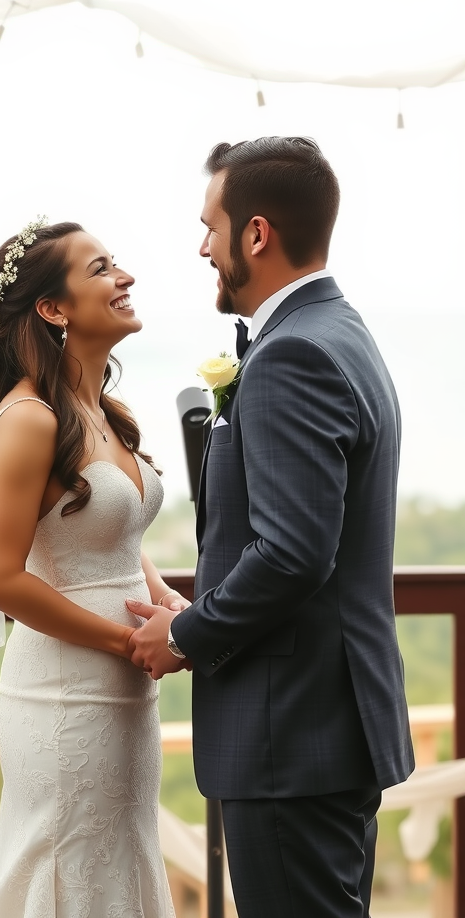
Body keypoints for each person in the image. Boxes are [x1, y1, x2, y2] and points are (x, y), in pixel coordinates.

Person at [127, 137, 415, 917]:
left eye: (211, 227)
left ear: (256, 234)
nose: (202, 247)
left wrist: (187, 635)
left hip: (290, 732)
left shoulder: (293, 356)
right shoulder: (341, 332)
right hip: (322, 727)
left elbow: (293, 552)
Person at [0, 220, 186, 916]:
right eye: (102, 269)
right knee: (62, 864)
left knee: (116, 858)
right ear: (54, 309)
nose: (126, 278)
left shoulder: (101, 412)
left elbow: (104, 532)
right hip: (66, 698)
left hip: (125, 700)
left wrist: (165, 599)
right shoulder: (27, 417)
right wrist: (126, 641)